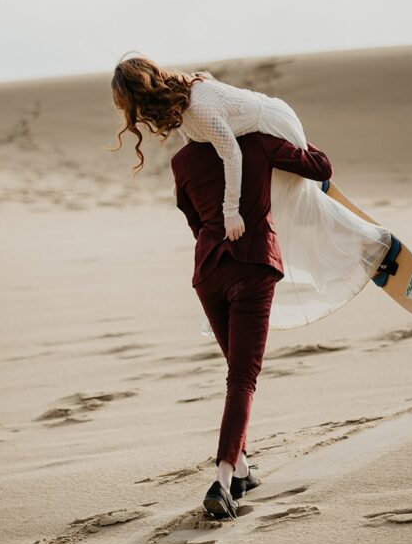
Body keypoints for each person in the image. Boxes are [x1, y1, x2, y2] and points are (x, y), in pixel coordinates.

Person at [110, 54, 392, 339]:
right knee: (277, 212)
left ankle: (366, 242)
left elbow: (232, 154)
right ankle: (308, 187)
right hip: (250, 131)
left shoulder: (198, 108)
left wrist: (230, 211)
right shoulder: (179, 102)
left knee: (282, 214)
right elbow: (197, 140)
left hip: (272, 125)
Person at [170, 130, 334, 518]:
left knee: (236, 374)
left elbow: (193, 219)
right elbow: (321, 167)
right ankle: (223, 480)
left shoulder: (182, 160)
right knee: (242, 378)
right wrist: (291, 130)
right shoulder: (258, 142)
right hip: (253, 265)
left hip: (208, 272)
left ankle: (242, 470)